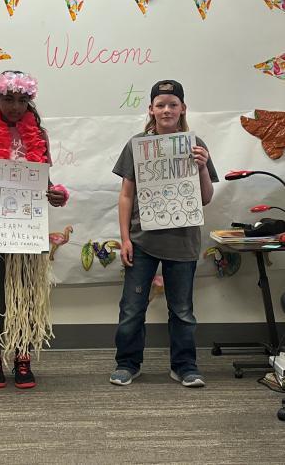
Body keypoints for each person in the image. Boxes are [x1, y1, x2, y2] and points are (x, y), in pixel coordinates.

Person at [109, 80, 219, 388]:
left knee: (182, 310)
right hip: (142, 240)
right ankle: (128, 363)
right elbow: (126, 195)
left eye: (173, 104)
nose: (166, 110)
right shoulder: (137, 145)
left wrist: (201, 167)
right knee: (132, 308)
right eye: (160, 104)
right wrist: (125, 238)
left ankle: (185, 366)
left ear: (183, 107)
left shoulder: (196, 144)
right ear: (151, 109)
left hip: (183, 241)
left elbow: (206, 198)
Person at [0, 71, 68, 389]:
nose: (15, 106)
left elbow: (46, 184)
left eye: (22, 100)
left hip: (28, 226)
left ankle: (22, 355)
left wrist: (57, 194)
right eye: (9, 99)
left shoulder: (39, 137)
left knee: (27, 291)